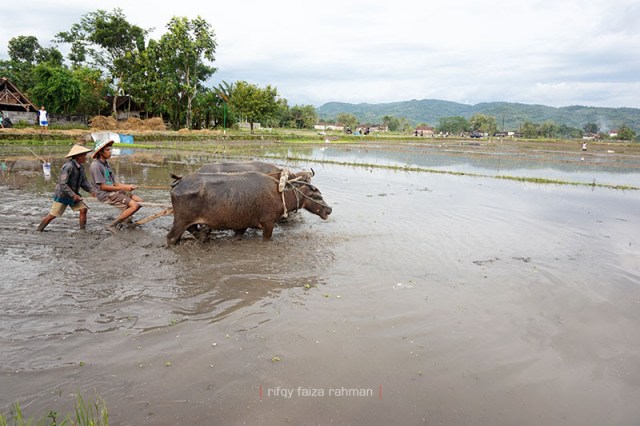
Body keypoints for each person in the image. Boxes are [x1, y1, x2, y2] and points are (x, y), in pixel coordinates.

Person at [37, 145, 96, 231]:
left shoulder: (81, 167)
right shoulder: (68, 166)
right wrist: (73, 195)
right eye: (84, 155)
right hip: (63, 195)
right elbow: (62, 183)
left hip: (73, 195)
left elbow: (84, 182)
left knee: (83, 210)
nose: (85, 158)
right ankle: (39, 229)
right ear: (78, 156)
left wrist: (91, 191)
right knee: (53, 215)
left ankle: (82, 230)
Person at [89, 140, 144, 232]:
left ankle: (126, 218)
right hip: (105, 194)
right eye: (107, 150)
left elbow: (115, 183)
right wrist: (124, 188)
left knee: (140, 201)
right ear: (100, 152)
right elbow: (103, 187)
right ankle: (112, 225)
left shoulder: (106, 164)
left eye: (110, 149)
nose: (110, 152)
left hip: (113, 191)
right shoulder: (96, 166)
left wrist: (128, 186)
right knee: (134, 205)